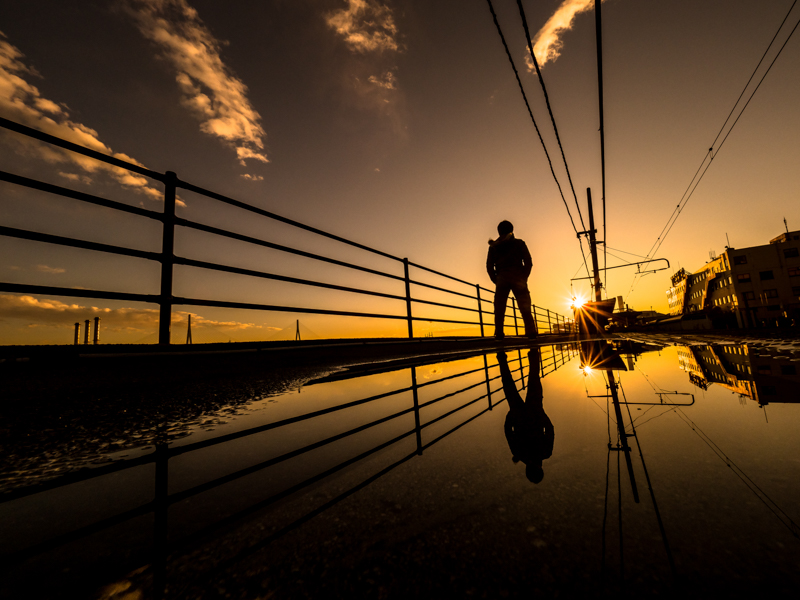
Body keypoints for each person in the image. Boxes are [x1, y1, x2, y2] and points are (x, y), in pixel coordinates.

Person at [497, 350, 553, 484]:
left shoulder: (545, 453)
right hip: (521, 414)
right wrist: (510, 416)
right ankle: (502, 357)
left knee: (533, 379)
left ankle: (533, 354)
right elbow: (508, 432)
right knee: (508, 383)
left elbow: (549, 430)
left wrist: (542, 414)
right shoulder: (520, 454)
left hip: (532, 413)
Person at [486, 220, 537, 339]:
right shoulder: (519, 243)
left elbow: (489, 266)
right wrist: (524, 277)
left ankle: (499, 333)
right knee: (525, 306)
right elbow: (528, 262)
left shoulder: (494, 247)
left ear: (499, 231)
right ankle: (530, 331)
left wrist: (496, 279)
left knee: (499, 307)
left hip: (502, 278)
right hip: (518, 278)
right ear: (512, 230)